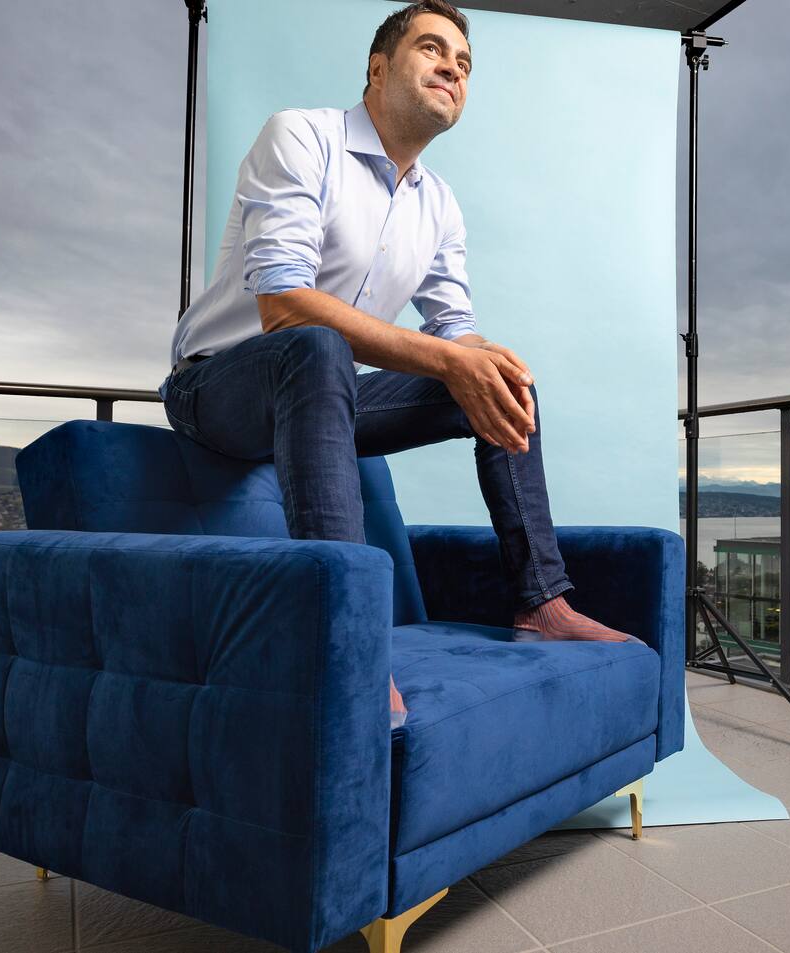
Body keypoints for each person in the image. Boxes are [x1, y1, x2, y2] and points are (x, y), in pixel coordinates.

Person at [160, 0, 637, 728]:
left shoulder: (437, 203)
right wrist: (449, 357)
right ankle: (346, 637)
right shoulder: (301, 136)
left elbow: (454, 332)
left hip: (324, 394)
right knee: (315, 345)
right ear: (378, 68)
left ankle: (541, 600)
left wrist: (487, 360)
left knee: (503, 382)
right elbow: (283, 306)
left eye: (464, 62)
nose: (453, 67)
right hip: (216, 388)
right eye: (432, 49)